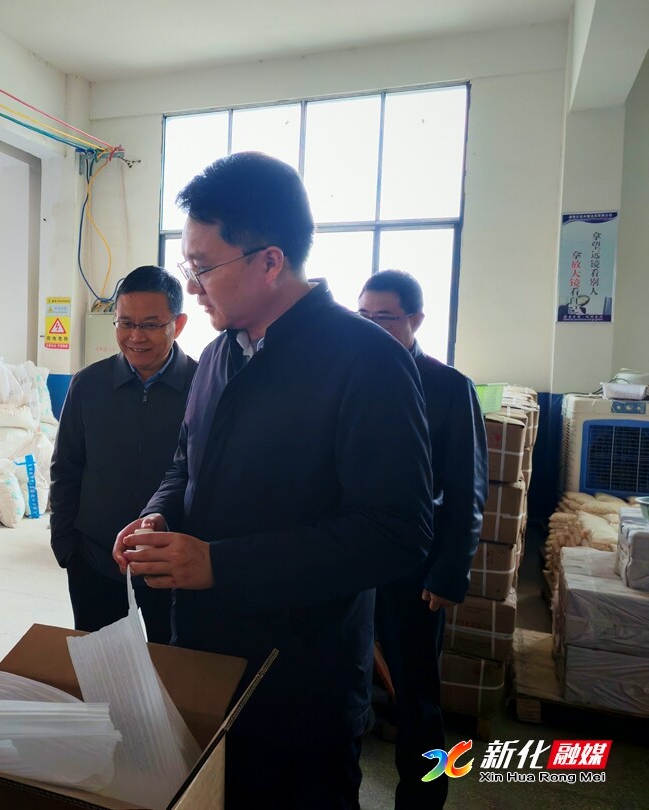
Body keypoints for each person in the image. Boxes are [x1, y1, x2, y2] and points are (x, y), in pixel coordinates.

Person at [112, 152, 434, 808]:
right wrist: (159, 514)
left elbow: (395, 534)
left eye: (203, 268)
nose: (192, 288)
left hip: (301, 686)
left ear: (269, 261)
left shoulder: (366, 362)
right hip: (206, 661)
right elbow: (186, 463)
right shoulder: (218, 356)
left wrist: (220, 564)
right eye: (188, 267)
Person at [359, 269, 488, 808]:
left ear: (415, 319)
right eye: (363, 318)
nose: (372, 328)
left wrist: (448, 573)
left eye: (385, 318)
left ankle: (423, 800)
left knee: (417, 697)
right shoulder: (349, 375)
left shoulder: (447, 387)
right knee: (343, 685)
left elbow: (466, 490)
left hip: (414, 571)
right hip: (350, 562)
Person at [50, 266, 197, 644]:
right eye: (125, 323)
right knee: (103, 665)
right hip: (95, 561)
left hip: (173, 567)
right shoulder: (88, 384)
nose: (135, 336)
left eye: (150, 325)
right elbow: (66, 468)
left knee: (173, 665)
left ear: (178, 324)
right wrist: (67, 548)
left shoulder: (202, 387)